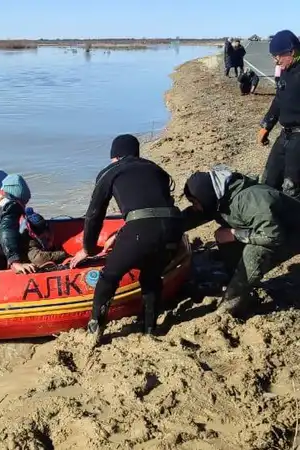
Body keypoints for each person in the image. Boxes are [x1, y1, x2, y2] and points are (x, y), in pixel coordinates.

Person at [69, 134, 183, 343]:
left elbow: (94, 214)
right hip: (174, 228)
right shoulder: (157, 169)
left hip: (142, 229)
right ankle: (150, 329)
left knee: (110, 276)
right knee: (151, 275)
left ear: (115, 156)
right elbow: (154, 207)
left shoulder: (110, 172)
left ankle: (95, 329)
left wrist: (88, 248)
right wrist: (123, 234)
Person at [182, 166, 300, 318]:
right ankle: (234, 276)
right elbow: (194, 216)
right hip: (269, 230)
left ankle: (230, 305)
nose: (195, 207)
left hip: (290, 235)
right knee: (223, 236)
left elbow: (273, 236)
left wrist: (234, 234)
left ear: (205, 196)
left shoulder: (249, 201)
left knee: (253, 253)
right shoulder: (221, 198)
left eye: (195, 202)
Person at [257, 29, 300, 200]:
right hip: (285, 135)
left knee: (292, 189)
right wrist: (265, 126)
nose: (275, 60)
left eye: (278, 56)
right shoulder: (286, 71)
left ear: (292, 52)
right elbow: (278, 100)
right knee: (268, 181)